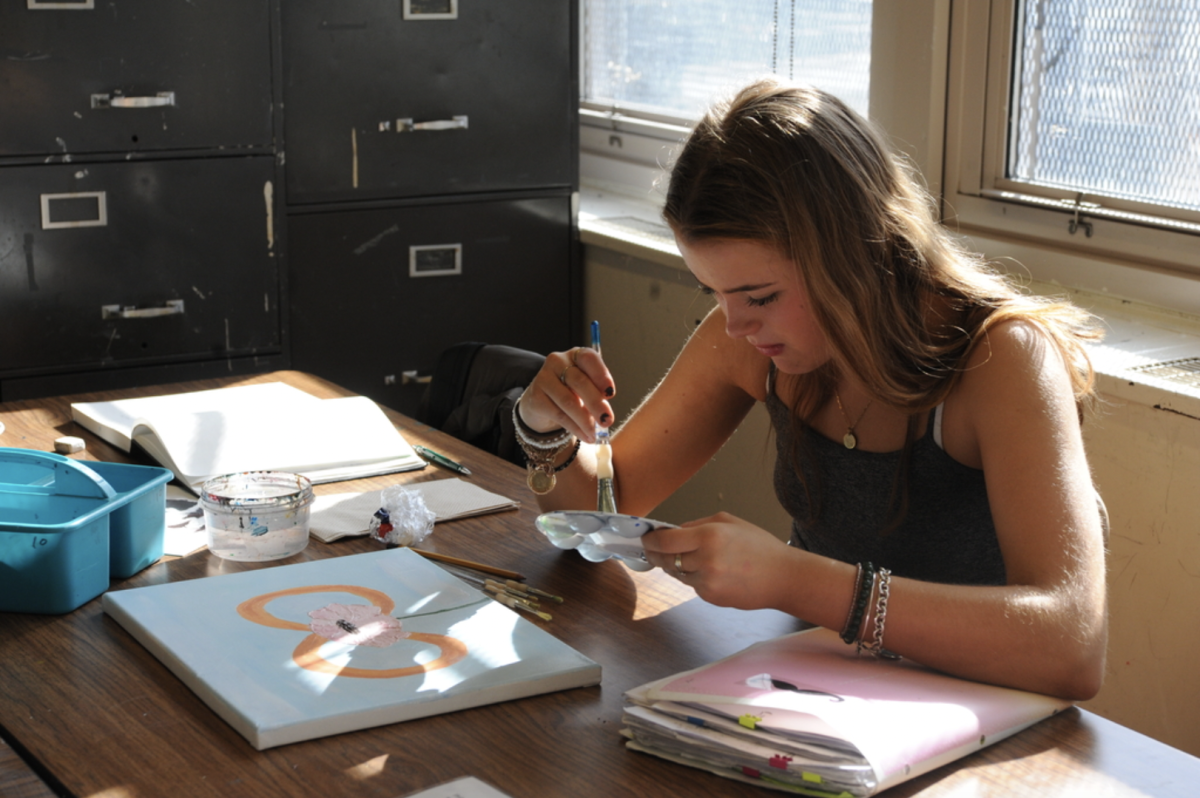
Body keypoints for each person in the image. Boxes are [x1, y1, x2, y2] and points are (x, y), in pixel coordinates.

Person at [513, 79, 1107, 700]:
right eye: (713, 293)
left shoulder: (999, 357)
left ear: (850, 253)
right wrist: (544, 429)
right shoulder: (747, 338)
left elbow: (1072, 645)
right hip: (815, 704)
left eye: (760, 297)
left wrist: (794, 581)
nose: (735, 324)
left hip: (977, 727)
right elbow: (606, 514)